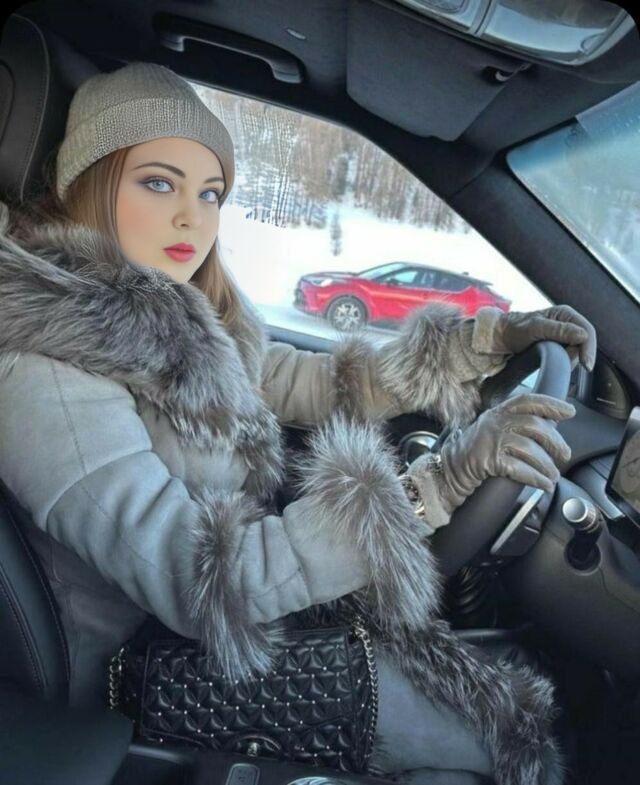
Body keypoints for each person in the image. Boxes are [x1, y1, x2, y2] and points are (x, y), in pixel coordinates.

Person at [0, 62, 596, 785]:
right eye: (158, 183)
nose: (193, 217)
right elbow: (196, 581)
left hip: (226, 627)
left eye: (211, 192)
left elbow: (308, 381)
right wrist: (434, 485)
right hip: (139, 678)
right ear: (87, 185)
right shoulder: (44, 373)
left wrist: (478, 343)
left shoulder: (179, 313)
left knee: (502, 705)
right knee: (488, 743)